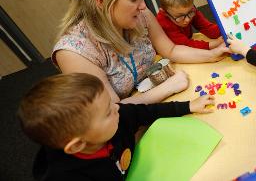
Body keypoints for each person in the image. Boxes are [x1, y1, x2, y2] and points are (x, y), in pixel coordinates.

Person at [53, 0, 229, 105]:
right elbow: (113, 111)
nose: (144, 6)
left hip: (156, 99)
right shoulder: (73, 52)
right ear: (101, 1)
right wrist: (167, 89)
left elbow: (171, 49)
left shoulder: (140, 17)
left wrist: (212, 55)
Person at [17, 73, 215, 181]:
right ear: (77, 145)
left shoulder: (117, 115)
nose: (117, 108)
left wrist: (188, 106)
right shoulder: (66, 176)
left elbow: (146, 112)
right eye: (107, 112)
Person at [156, 0, 224, 50]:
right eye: (180, 16)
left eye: (190, 13)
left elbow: (207, 28)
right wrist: (214, 44)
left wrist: (225, 31)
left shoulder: (191, 10)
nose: (187, 20)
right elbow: (184, 45)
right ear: (165, 13)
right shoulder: (163, 21)